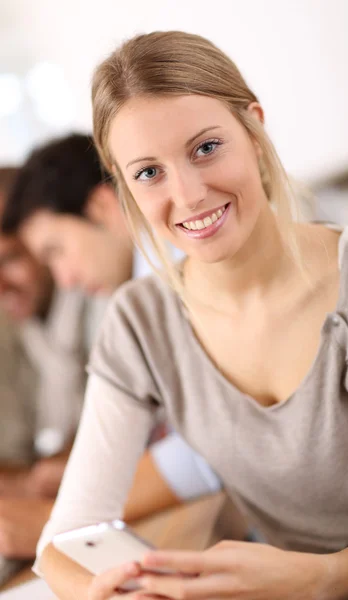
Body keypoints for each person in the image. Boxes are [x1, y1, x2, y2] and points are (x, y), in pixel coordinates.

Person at [31, 31, 348, 600]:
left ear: (253, 130)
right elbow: (62, 541)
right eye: (148, 173)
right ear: (121, 182)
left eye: (206, 148)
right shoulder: (140, 319)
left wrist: (311, 580)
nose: (190, 193)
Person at [0, 142, 221, 558]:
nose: (64, 279)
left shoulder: (176, 277)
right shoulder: (143, 294)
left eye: (56, 251)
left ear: (101, 207)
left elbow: (211, 449)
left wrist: (56, 522)